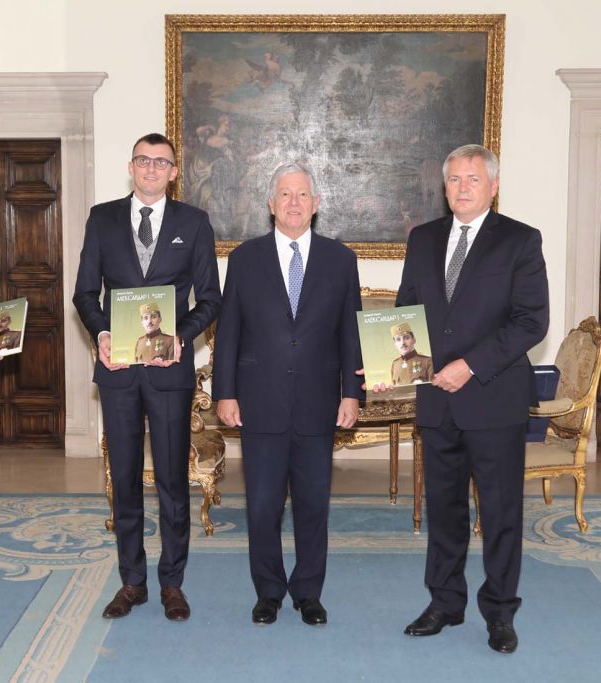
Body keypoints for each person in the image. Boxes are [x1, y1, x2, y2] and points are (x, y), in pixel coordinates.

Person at [381, 144, 548, 654]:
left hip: (493, 398)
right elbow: (406, 309)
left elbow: (531, 321)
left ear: (493, 186)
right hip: (437, 401)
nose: (462, 187)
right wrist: (387, 359)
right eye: (454, 179)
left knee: (499, 513)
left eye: (473, 179)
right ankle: (445, 602)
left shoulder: (519, 240)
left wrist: (470, 365)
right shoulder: (424, 238)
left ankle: (500, 612)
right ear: (444, 186)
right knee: (444, 510)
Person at [72, 133, 222, 622]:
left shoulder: (194, 222)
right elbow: (84, 294)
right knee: (125, 479)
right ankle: (132, 582)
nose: (151, 168)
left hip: (168, 371)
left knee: (174, 482)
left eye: (161, 162)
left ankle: (172, 583)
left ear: (174, 172)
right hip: (118, 371)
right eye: (143, 160)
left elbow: (211, 299)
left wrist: (182, 336)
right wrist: (101, 334)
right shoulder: (102, 219)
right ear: (131, 166)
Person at [213, 162, 361, 627]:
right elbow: (229, 332)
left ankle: (308, 592)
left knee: (314, 505)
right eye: (285, 194)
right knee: (262, 505)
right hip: (259, 402)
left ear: (315, 204)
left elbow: (351, 333)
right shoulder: (244, 259)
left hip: (319, 403)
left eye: (302, 195)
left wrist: (352, 393)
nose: (293, 202)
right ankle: (269, 592)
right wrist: (225, 392)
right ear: (271, 203)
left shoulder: (341, 260)